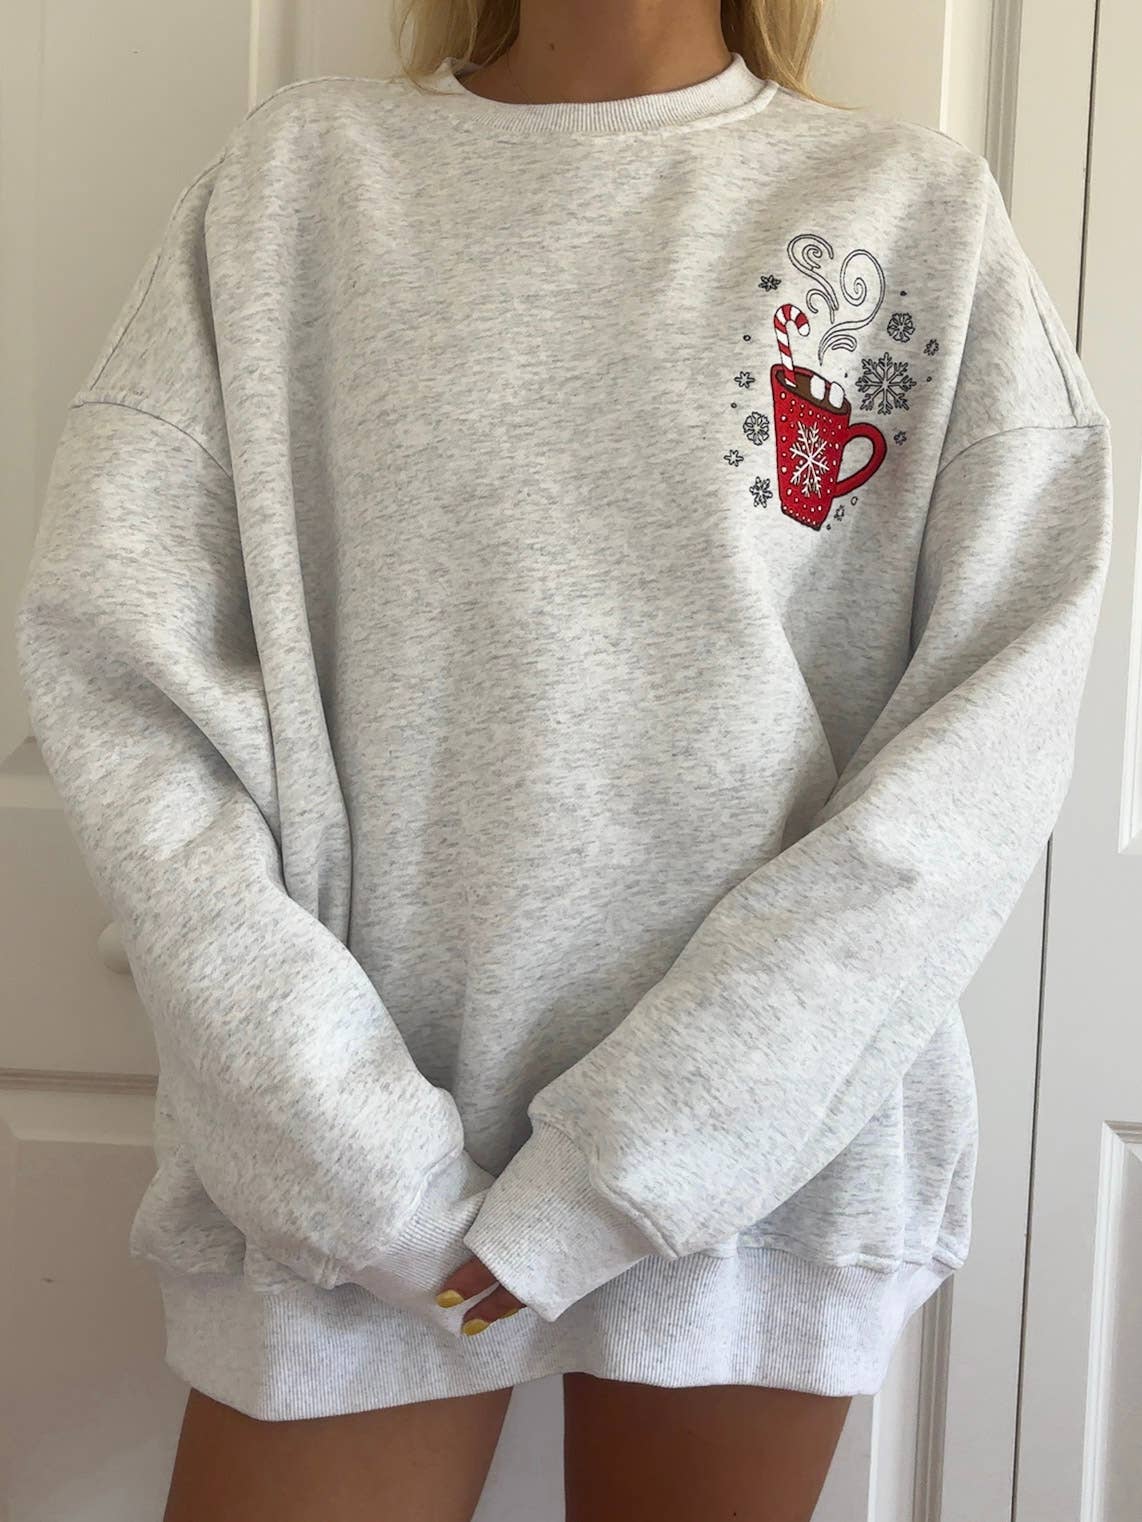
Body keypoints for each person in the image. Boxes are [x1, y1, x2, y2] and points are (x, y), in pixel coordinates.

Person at [13, 0, 1113, 1516]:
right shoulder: (302, 182)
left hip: (753, 1164)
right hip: (341, 1169)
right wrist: (348, 1157)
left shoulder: (911, 211)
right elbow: (122, 675)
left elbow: (983, 745)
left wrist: (648, 1157)